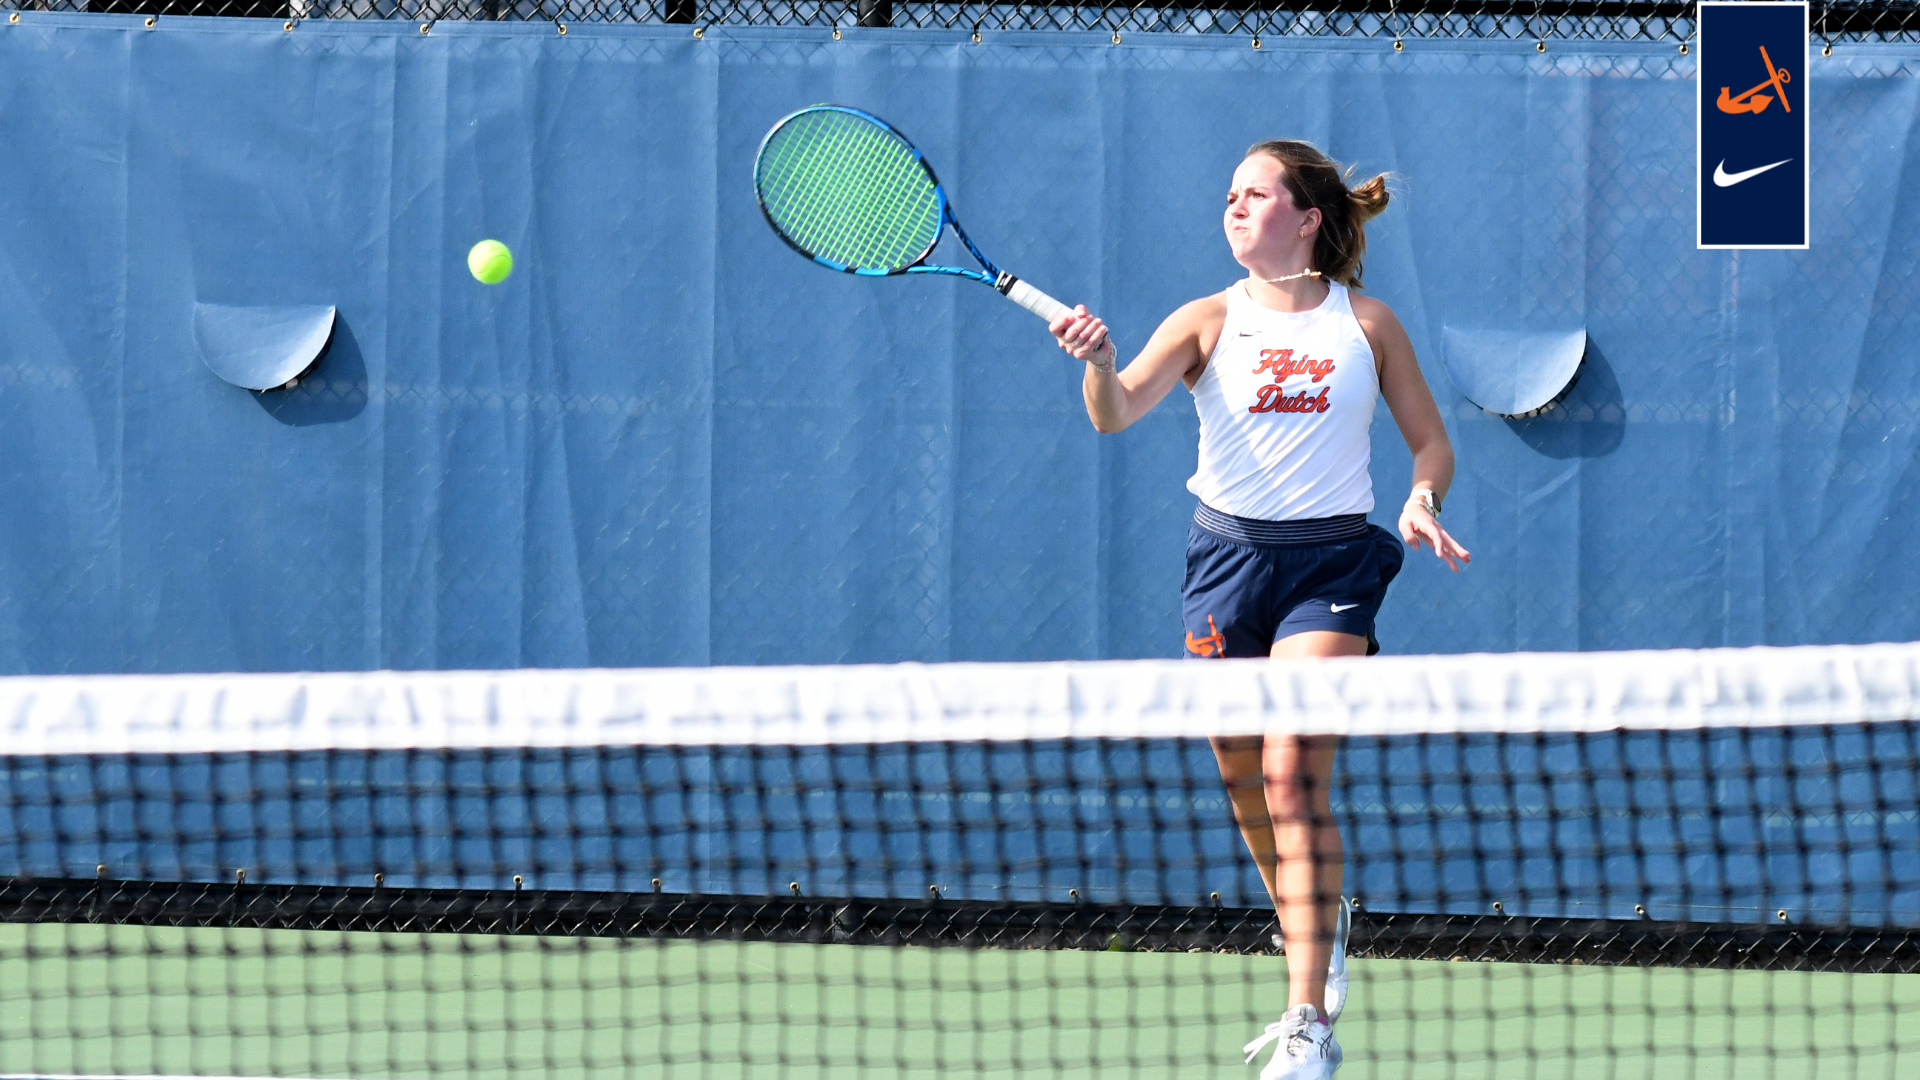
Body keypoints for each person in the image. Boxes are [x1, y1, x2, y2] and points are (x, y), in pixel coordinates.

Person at [1049, 140, 1470, 1080]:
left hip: (1332, 564)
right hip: (1226, 562)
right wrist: (1099, 360)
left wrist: (1421, 498)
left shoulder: (1369, 323)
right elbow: (1113, 411)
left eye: (1255, 194)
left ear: (1308, 217)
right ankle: (1317, 920)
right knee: (1243, 775)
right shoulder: (1205, 320)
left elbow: (1431, 441)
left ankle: (1307, 1020)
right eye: (1229, 194)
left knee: (1289, 775)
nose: (1234, 207)